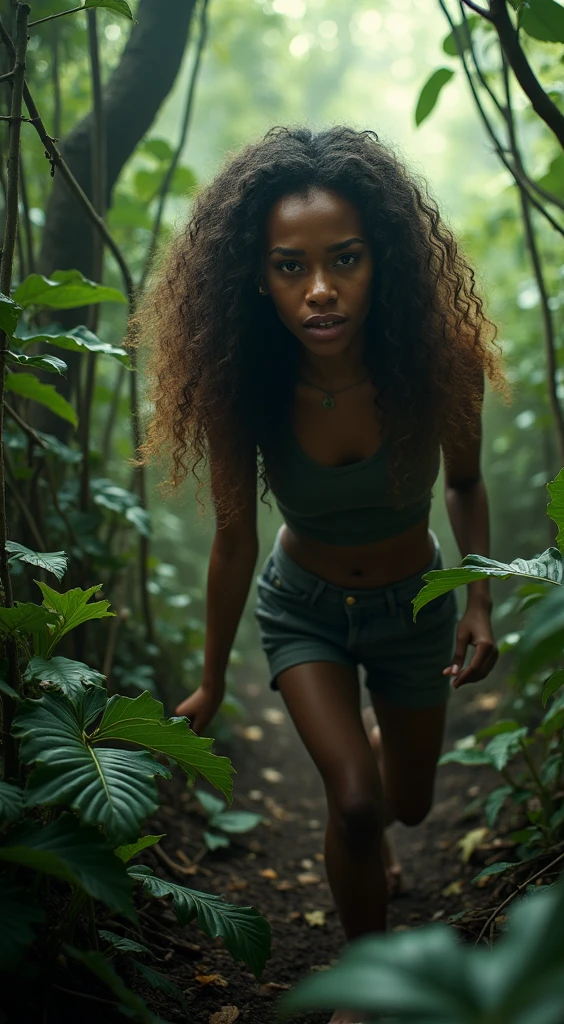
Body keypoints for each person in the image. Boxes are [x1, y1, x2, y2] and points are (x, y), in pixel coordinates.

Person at [139, 125, 502, 1023]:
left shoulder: (441, 362)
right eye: (290, 267)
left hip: (415, 607)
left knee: (407, 808)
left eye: (344, 259)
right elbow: (232, 539)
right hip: (301, 609)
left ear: (384, 259)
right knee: (352, 805)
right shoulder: (243, 385)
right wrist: (214, 677)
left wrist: (479, 601)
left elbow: (462, 481)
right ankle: (366, 985)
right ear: (256, 279)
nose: (321, 289)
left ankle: (378, 777)